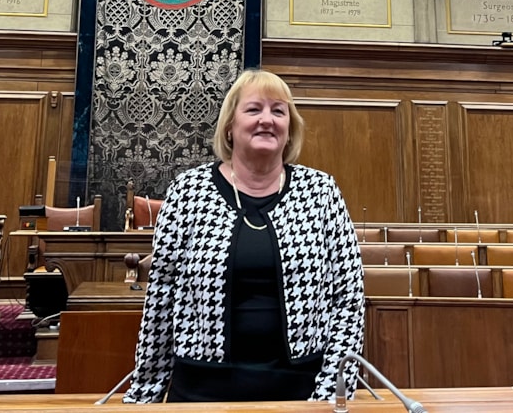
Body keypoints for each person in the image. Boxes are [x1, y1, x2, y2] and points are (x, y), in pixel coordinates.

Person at [123, 68, 364, 403]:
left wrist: (330, 394)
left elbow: (348, 299)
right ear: (229, 127)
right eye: (254, 110)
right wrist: (143, 397)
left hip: (301, 392)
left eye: (279, 111)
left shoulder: (321, 191)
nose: (267, 119)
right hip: (202, 392)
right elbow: (161, 299)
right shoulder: (188, 192)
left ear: (289, 128)